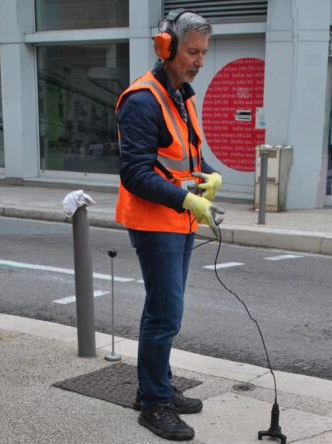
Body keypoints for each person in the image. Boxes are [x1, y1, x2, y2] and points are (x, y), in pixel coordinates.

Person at [114, 9, 223, 441]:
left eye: (203, 53)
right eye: (192, 52)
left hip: (179, 219)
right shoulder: (142, 100)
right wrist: (187, 198)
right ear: (167, 48)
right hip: (155, 221)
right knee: (164, 314)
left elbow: (185, 158)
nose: (199, 61)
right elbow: (135, 173)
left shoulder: (182, 94)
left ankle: (159, 387)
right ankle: (153, 402)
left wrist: (208, 173)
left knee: (166, 312)